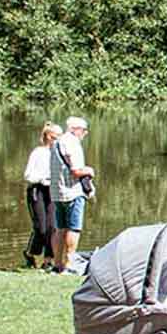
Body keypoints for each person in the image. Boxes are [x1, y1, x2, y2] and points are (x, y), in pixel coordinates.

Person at [49, 116, 93, 275]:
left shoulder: (56, 143)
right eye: (84, 130)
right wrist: (89, 171)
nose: (85, 134)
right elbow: (76, 171)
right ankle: (69, 265)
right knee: (74, 229)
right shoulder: (73, 144)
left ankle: (57, 264)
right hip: (72, 192)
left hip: (57, 193)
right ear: (76, 130)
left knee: (60, 229)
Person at [22, 122, 62, 269]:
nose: (58, 140)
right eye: (55, 137)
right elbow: (28, 175)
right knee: (41, 227)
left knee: (52, 226)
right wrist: (42, 179)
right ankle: (31, 253)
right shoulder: (38, 152)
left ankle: (48, 259)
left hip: (52, 191)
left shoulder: (59, 153)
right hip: (37, 190)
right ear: (48, 136)